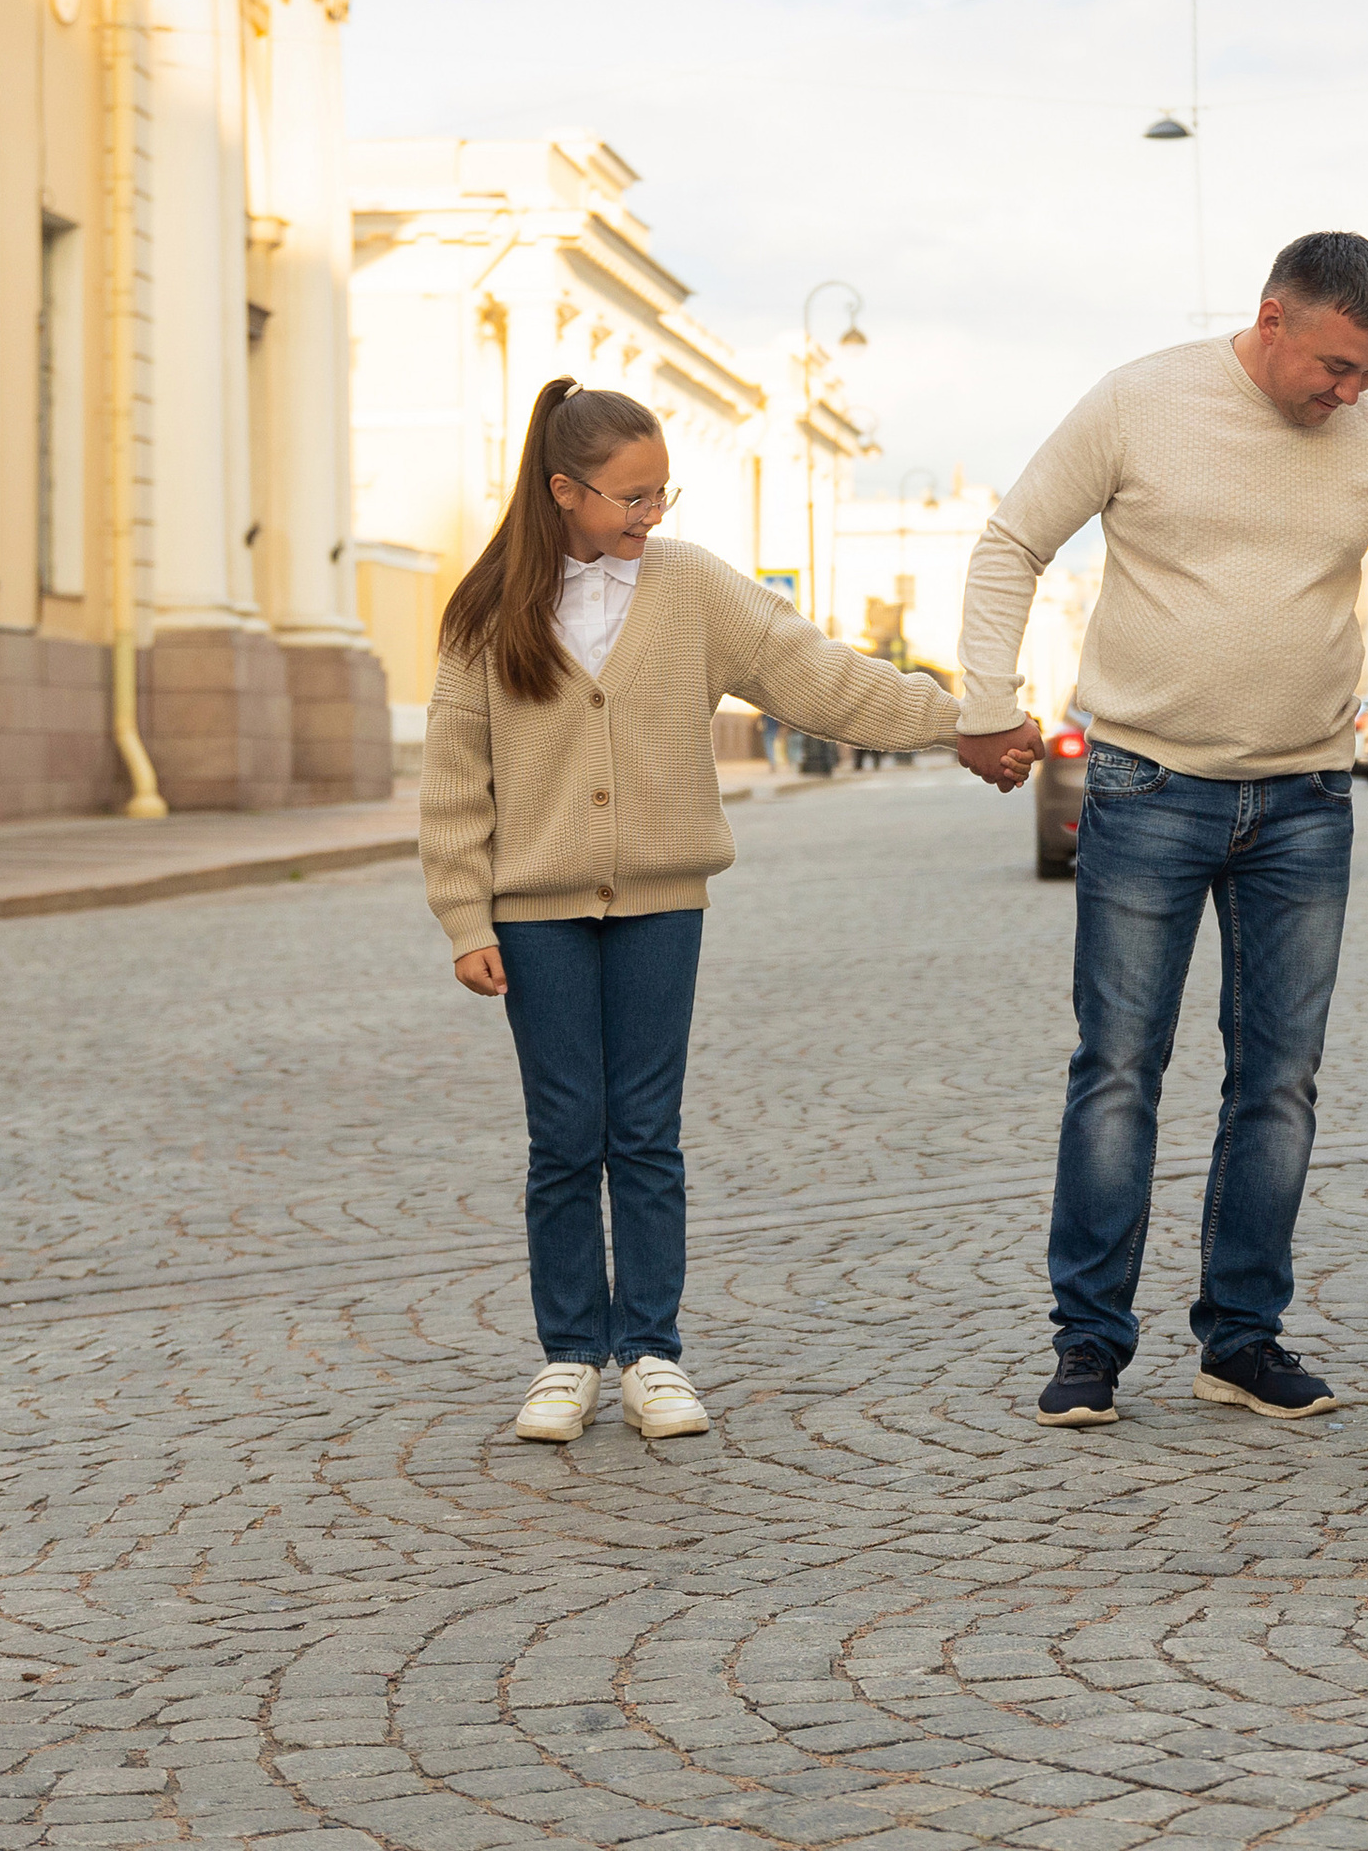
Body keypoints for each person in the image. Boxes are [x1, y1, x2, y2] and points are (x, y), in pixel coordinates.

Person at [422, 379, 1018, 1447]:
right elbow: (457, 778)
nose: (653, 515)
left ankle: (650, 1351)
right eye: (631, 497)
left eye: (662, 492)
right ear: (564, 492)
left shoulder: (691, 585)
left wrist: (963, 718)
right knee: (565, 1136)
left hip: (661, 903)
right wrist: (466, 914)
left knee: (645, 1133)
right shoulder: (484, 611)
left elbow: (817, 676)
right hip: (537, 915)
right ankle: (568, 1354)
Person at [956, 232, 1368, 1427]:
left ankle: (1241, 1339)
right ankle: (1088, 1341)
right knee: (1117, 1071)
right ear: (1272, 318)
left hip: (1306, 799)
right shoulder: (1140, 402)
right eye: (1337, 365)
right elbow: (1011, 545)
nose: (1350, 392)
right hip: (1148, 786)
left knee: (1279, 1083)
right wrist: (989, 700)